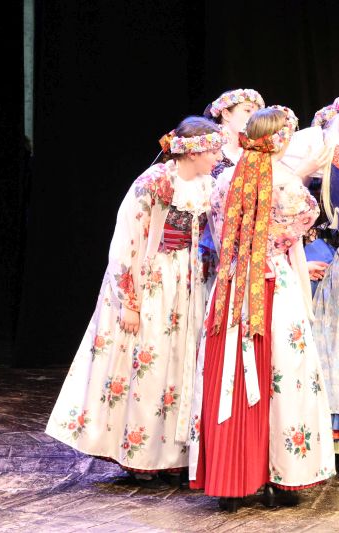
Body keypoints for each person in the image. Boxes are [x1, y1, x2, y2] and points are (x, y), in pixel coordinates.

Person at [45, 117, 225, 486]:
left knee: (183, 364)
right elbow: (126, 241)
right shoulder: (155, 183)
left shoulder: (210, 185)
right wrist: (129, 300)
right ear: (193, 152)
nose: (218, 157)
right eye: (213, 151)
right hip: (155, 280)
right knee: (152, 363)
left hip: (191, 281)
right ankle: (142, 454)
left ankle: (177, 456)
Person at [188, 106, 335, 511]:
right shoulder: (287, 184)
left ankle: (231, 478)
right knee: (282, 377)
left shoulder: (224, 181)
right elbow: (297, 230)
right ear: (281, 140)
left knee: (231, 376)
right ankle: (278, 477)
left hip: (232, 285)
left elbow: (219, 233)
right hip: (273, 284)